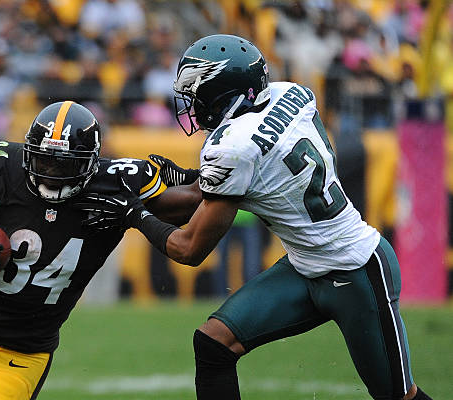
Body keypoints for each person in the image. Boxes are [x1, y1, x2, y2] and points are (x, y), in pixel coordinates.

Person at [77, 34, 434, 400]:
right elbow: (229, 181)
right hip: (305, 264)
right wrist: (177, 182)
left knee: (397, 396)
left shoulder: (233, 146)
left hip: (355, 268)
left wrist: (133, 214)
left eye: (198, 94)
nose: (193, 106)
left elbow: (189, 249)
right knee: (214, 344)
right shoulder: (290, 93)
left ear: (224, 91)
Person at [0, 101, 201, 400]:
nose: (51, 171)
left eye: (65, 164)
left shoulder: (115, 184)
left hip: (20, 355)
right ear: (27, 152)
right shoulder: (2, 167)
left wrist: (203, 176)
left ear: (91, 162)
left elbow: (190, 203)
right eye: (44, 159)